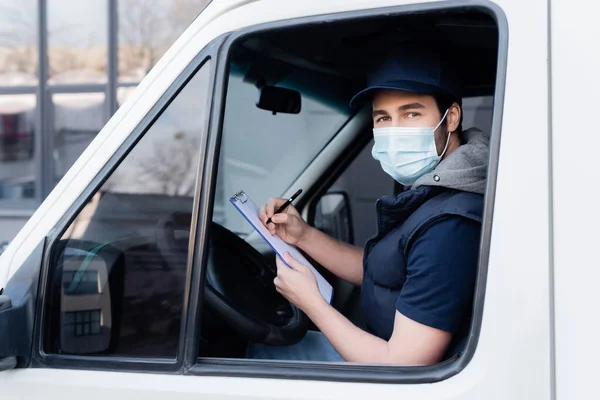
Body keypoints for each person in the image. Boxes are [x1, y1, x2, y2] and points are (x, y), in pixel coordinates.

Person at [249, 46, 489, 364]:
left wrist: (312, 303)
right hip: (376, 352)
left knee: (254, 355)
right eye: (383, 118)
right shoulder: (434, 191)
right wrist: (301, 235)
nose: (394, 129)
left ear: (452, 117)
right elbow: (382, 270)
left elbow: (403, 365)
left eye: (412, 113)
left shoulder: (450, 224)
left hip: (388, 373)